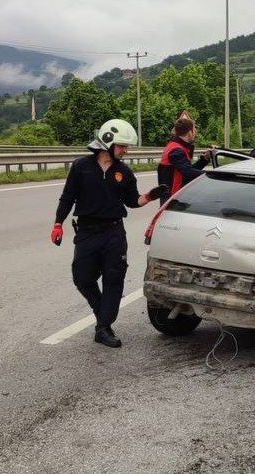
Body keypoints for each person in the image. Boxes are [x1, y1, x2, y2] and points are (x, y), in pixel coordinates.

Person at [51, 118, 166, 348]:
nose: (125, 151)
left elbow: (132, 201)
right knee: (82, 278)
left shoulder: (124, 172)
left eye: (126, 147)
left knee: (114, 278)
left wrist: (149, 197)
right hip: (87, 231)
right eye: (122, 146)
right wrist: (58, 223)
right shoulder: (81, 167)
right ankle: (102, 311)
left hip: (114, 233)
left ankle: (103, 327)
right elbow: (68, 197)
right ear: (107, 142)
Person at [157, 117, 210, 204]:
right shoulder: (177, 150)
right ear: (189, 132)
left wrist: (205, 159)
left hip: (173, 198)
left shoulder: (175, 146)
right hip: (173, 200)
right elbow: (189, 172)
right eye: (194, 130)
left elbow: (186, 171)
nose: (195, 133)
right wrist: (213, 174)